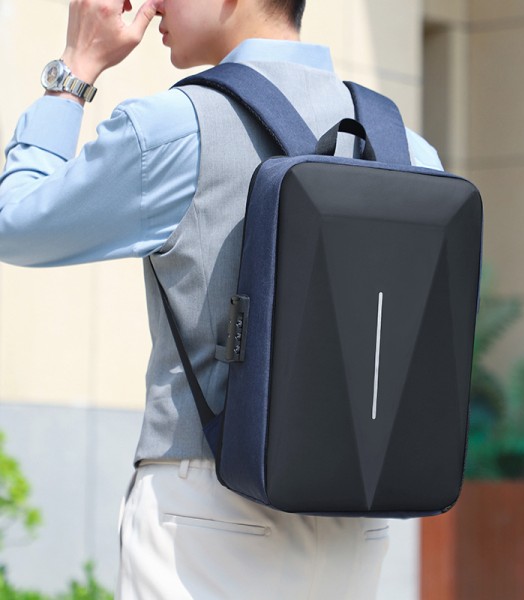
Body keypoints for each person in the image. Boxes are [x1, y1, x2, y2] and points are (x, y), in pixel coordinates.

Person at [0, 0, 442, 597]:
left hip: (206, 517)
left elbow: (16, 223)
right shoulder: (408, 149)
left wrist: (76, 67)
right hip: (355, 529)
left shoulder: (177, 127)